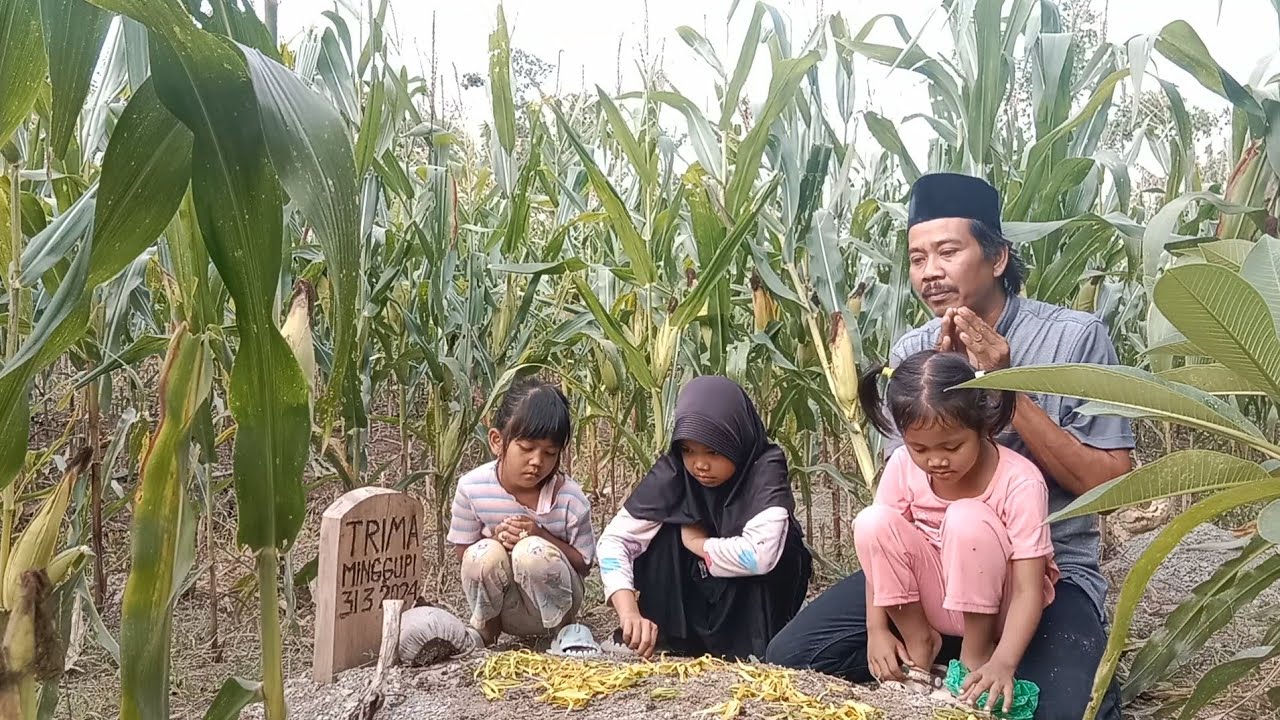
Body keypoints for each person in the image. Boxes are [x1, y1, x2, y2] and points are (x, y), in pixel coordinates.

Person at [766, 172, 1133, 720]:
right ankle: (945, 645)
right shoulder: (915, 347)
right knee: (791, 656)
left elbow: (1111, 486)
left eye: (947, 252)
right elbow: (901, 490)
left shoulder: (1074, 339)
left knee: (1069, 710)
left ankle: (995, 652)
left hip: (1042, 575)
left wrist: (1004, 386)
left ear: (998, 257)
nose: (929, 272)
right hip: (931, 570)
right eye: (917, 258)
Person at [854, 350, 1058, 714]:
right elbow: (879, 552)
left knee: (966, 518)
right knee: (871, 520)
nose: (935, 461)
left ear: (984, 427)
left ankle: (976, 657)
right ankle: (920, 645)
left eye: (951, 446)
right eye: (919, 448)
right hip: (938, 595)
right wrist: (877, 629)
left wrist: (1006, 661)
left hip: (998, 604)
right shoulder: (903, 466)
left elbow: (1028, 588)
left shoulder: (1020, 481)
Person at [595, 375, 812, 660]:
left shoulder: (764, 468)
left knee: (785, 545)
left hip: (751, 609)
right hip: (694, 597)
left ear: (737, 439)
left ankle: (752, 648)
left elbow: (760, 555)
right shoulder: (674, 472)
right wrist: (629, 613)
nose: (699, 464)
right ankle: (667, 637)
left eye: (713, 451)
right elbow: (614, 541)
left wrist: (698, 543)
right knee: (662, 526)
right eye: (688, 450)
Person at [447, 376, 595, 648]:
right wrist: (494, 540)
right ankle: (486, 630)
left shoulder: (570, 498)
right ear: (497, 441)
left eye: (550, 453)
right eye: (526, 448)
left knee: (532, 552)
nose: (537, 461)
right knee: (483, 554)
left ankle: (563, 633)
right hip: (505, 609)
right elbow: (463, 553)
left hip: (555, 604)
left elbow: (585, 563)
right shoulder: (472, 488)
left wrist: (540, 534)